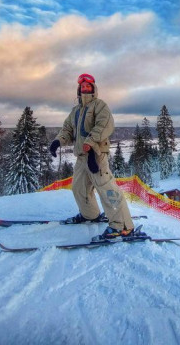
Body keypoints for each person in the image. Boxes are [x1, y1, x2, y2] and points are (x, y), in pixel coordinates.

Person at [49, 73, 140, 240]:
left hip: (97, 155)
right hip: (82, 157)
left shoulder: (100, 106)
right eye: (82, 86)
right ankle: (90, 215)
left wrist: (90, 144)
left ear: (93, 88)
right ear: (79, 89)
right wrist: (58, 141)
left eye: (88, 86)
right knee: (79, 188)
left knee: (108, 190)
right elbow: (67, 129)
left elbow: (104, 125)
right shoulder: (75, 111)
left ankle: (123, 226)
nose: (85, 89)